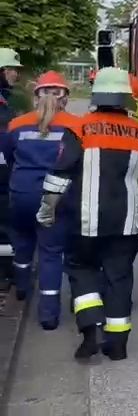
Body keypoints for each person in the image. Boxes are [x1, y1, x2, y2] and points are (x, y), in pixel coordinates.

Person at [37, 67, 138, 361]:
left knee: (81, 269)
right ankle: (118, 345)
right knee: (119, 277)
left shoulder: (80, 128)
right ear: (127, 98)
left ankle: (92, 330)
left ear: (96, 95)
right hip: (127, 223)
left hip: (86, 221)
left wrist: (47, 208)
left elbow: (61, 173)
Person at [3, 72, 80, 329]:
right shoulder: (75, 125)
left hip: (22, 194)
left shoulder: (16, 124)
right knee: (50, 253)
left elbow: (8, 157)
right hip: (55, 198)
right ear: (65, 98)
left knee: (22, 242)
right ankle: (48, 315)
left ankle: (22, 288)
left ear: (36, 96)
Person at [0, 48, 23, 292]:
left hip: (5, 175)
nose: (16, 75)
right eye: (12, 70)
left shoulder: (4, 100)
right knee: (4, 229)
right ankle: (4, 274)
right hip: (3, 176)